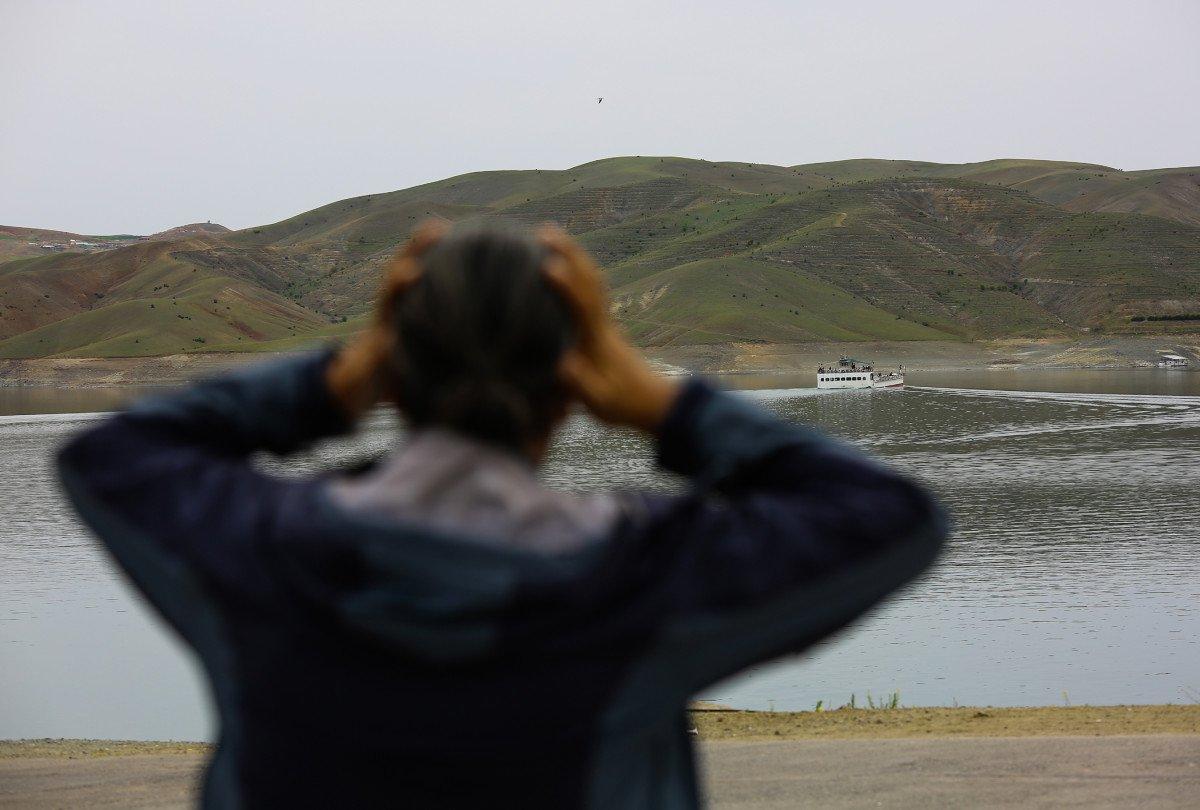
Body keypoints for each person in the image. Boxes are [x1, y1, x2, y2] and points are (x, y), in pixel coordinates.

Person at [58, 221, 946, 809]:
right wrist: (660, 401)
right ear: (571, 390)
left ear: (394, 381)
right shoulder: (636, 580)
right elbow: (887, 514)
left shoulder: (261, 555)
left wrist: (337, 377)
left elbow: (111, 457)